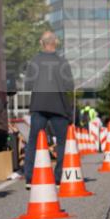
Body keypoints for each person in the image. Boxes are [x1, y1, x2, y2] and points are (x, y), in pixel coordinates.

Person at [23, 31, 75, 189]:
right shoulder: (63, 62)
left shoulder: (34, 61)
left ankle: (30, 179)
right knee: (62, 143)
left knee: (33, 141)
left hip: (39, 105)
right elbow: (69, 87)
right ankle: (59, 178)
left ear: (41, 43)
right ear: (56, 42)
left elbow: (28, 85)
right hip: (59, 106)